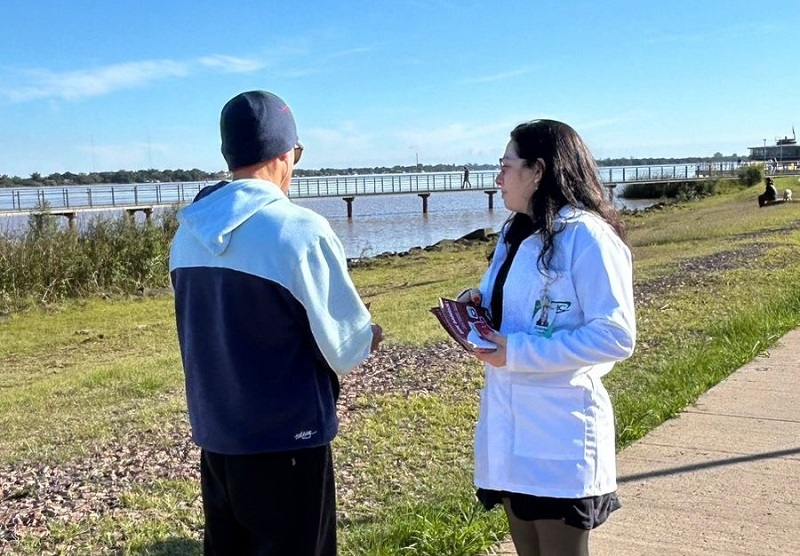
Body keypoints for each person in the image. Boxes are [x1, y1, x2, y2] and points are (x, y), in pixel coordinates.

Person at [169, 90, 384, 556]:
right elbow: (345, 346)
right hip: (288, 440)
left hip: (217, 436)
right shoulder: (298, 230)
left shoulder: (188, 233)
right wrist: (369, 336)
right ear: (286, 153)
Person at [456, 119, 636, 556]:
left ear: (537, 171)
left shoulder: (586, 236)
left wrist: (517, 351)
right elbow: (521, 306)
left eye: (506, 166)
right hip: (509, 427)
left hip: (561, 431)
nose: (498, 178)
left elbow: (615, 335)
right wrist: (478, 304)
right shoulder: (514, 232)